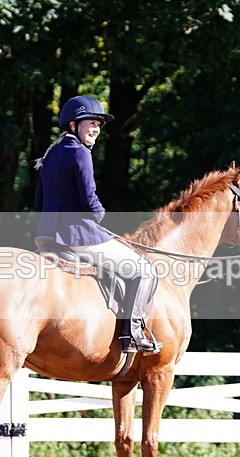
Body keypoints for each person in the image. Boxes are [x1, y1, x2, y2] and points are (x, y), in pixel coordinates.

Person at [34, 95, 161, 354]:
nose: (96, 129)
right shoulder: (80, 153)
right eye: (90, 123)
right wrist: (99, 215)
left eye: (98, 125)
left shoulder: (51, 154)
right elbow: (89, 198)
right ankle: (133, 334)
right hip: (78, 236)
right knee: (145, 270)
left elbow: (39, 201)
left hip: (46, 236)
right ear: (73, 125)